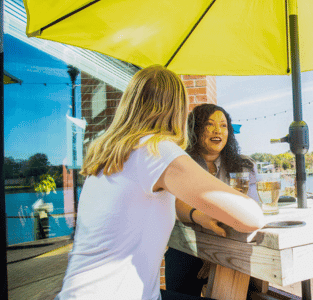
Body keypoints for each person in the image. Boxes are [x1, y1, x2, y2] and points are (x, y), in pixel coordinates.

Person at [54, 65, 265, 300]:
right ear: (178, 110)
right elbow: (251, 218)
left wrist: (199, 215)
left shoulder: (111, 155)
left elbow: (168, 203)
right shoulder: (156, 150)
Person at [164, 104, 259, 297]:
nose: (218, 130)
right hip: (187, 249)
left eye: (223, 125)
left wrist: (216, 257)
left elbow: (254, 208)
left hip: (233, 249)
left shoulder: (245, 165)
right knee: (180, 263)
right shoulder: (181, 163)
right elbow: (174, 204)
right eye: (209, 124)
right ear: (195, 129)